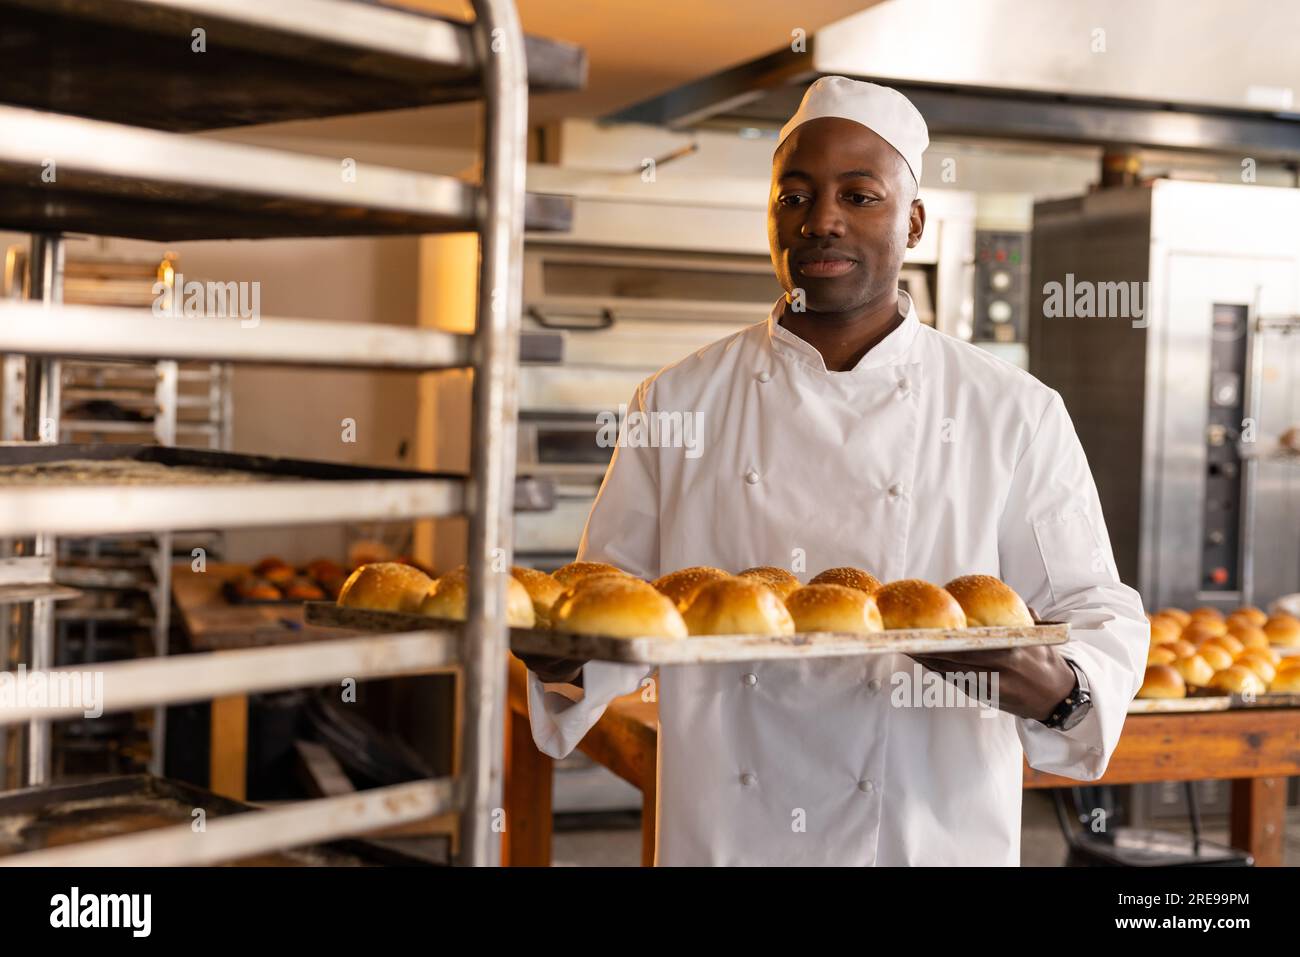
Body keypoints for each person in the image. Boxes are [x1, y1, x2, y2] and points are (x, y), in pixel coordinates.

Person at [520, 76, 1147, 865]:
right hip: (727, 833)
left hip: (924, 838)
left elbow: (1096, 608)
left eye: (860, 196)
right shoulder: (675, 400)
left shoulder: (1012, 411)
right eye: (795, 197)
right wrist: (561, 656)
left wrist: (1059, 687)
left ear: (913, 221)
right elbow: (606, 602)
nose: (821, 221)